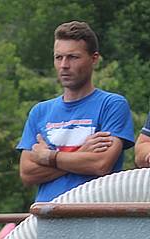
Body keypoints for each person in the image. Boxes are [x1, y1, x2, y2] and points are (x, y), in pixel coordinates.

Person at [17, 21, 134, 203]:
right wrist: (81, 153)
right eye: (58, 57)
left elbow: (101, 164)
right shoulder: (40, 111)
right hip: (48, 218)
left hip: (95, 218)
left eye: (73, 57)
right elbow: (27, 173)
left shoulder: (112, 105)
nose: (64, 65)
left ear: (94, 59)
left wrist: (48, 157)